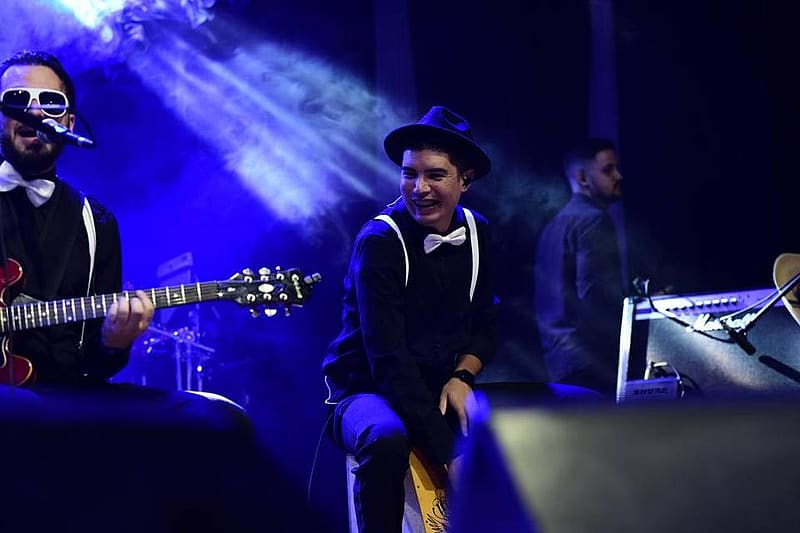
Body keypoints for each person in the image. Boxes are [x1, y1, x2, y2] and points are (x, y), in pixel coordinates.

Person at [0, 50, 260, 531]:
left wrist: (113, 343)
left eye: (50, 102)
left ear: (69, 122)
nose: (35, 111)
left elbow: (97, 366)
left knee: (216, 420)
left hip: (69, 397)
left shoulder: (95, 222)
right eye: (18, 99)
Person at [322, 105, 496, 532]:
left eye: (435, 175)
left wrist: (463, 376)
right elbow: (389, 362)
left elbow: (488, 325)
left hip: (441, 383)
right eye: (409, 174)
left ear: (465, 180)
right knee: (385, 437)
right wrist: (450, 453)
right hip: (367, 389)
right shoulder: (381, 240)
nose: (419, 188)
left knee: (549, 411)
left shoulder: (479, 232)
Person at [533, 138, 625, 398]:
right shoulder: (593, 220)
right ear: (583, 178)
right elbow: (596, 295)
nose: (618, 176)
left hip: (559, 362)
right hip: (592, 362)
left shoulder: (554, 225)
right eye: (608, 169)